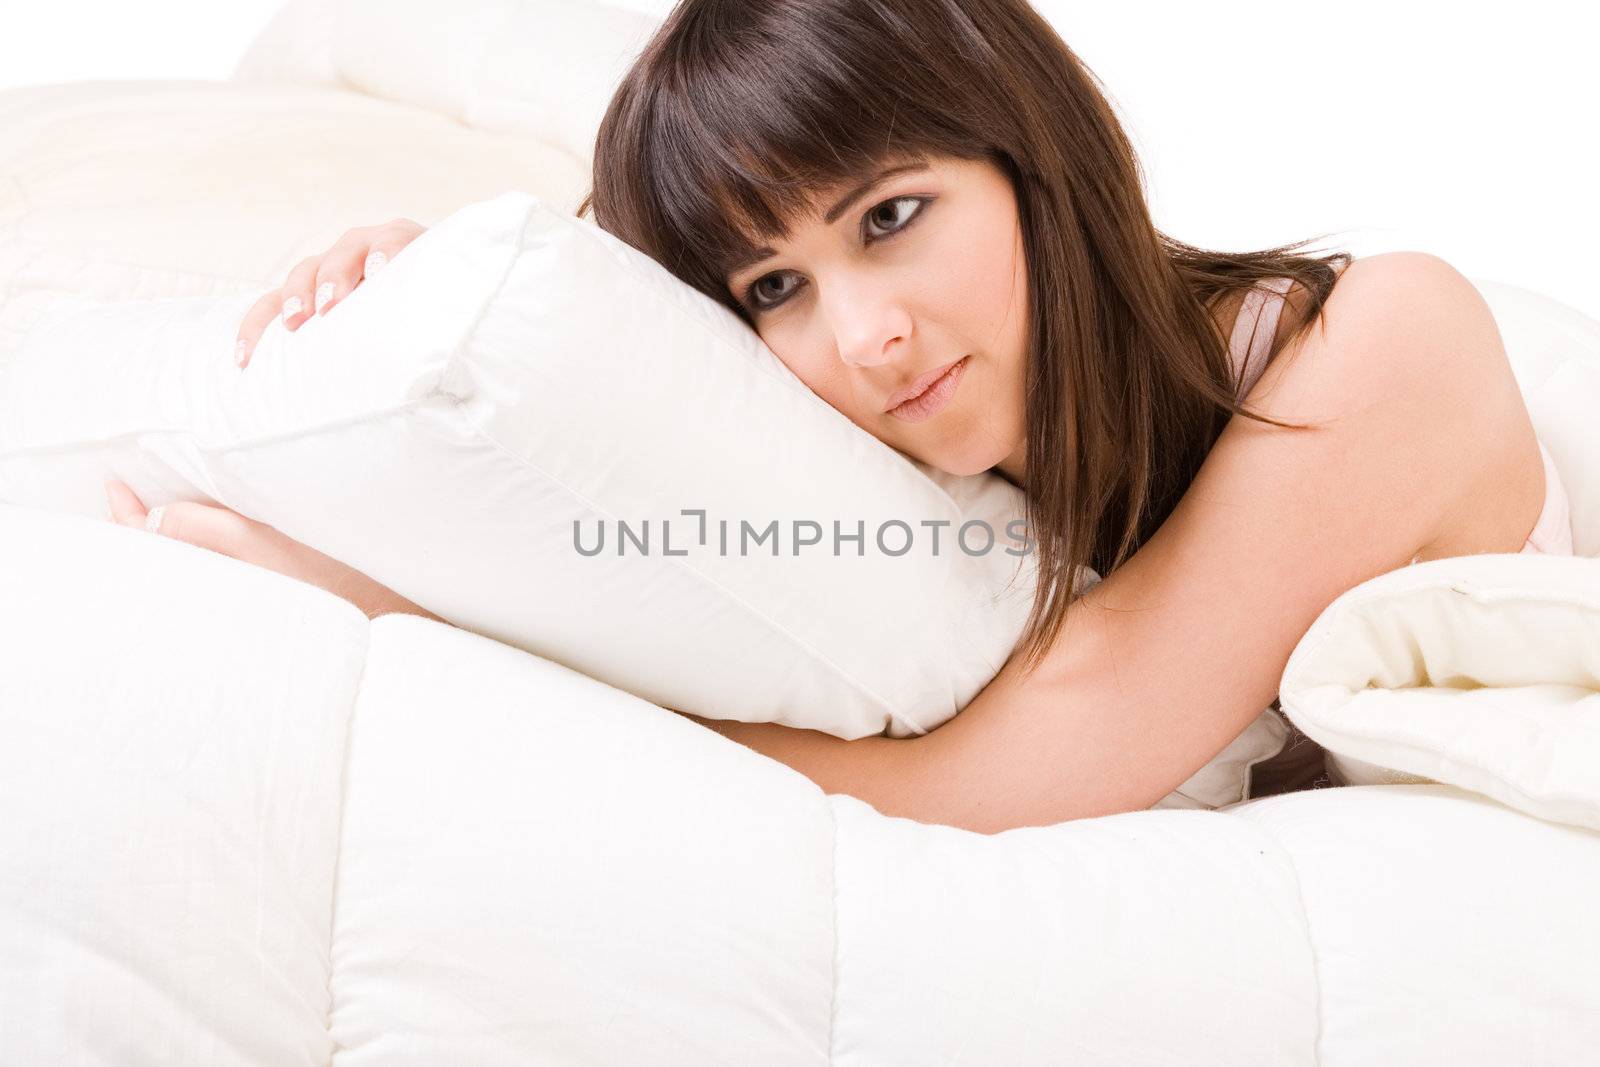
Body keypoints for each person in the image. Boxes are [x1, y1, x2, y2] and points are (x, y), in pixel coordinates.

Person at [115, 0, 1573, 833]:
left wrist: (383, 611)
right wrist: (428, 302)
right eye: (772, 289)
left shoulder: (1383, 338)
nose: (866, 338)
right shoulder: (939, 461)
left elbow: (1006, 779)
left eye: (893, 215)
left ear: (1032, 157)